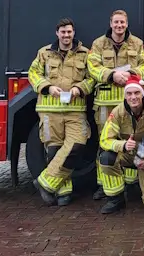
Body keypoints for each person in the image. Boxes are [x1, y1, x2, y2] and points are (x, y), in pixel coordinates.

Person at [26, 18, 95, 207]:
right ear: (57, 33)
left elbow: (92, 77)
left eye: (69, 32)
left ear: (74, 33)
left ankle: (45, 182)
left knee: (76, 146)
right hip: (49, 110)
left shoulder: (85, 54)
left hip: (75, 110)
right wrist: (48, 87)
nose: (66, 35)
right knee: (54, 151)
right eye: (63, 32)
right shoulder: (44, 53)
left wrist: (79, 88)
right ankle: (63, 192)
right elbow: (33, 74)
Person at [87, 9, 144, 201]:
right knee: (105, 143)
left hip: (129, 103)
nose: (119, 25)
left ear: (127, 24)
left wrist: (131, 75)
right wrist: (112, 75)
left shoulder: (137, 43)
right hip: (105, 103)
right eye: (116, 22)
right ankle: (103, 185)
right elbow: (92, 66)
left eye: (122, 22)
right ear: (111, 23)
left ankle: (129, 183)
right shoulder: (98, 44)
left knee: (131, 139)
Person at [96, 80, 144, 214]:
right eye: (129, 94)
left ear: (142, 94)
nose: (133, 97)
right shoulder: (117, 112)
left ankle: (142, 188)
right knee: (106, 158)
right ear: (125, 96)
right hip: (129, 153)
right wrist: (123, 145)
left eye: (137, 93)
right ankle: (116, 199)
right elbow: (105, 139)